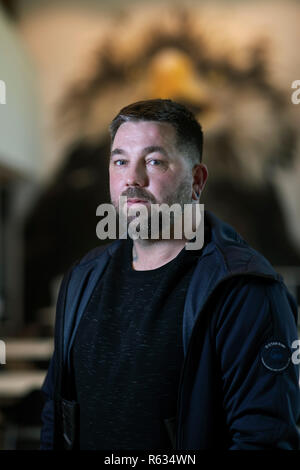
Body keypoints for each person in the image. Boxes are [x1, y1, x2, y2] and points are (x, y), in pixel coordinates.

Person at [40, 98, 300, 450]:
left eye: (154, 161)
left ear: (196, 180)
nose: (132, 178)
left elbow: (265, 440)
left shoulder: (244, 290)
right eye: (120, 161)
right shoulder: (82, 280)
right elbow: (55, 413)